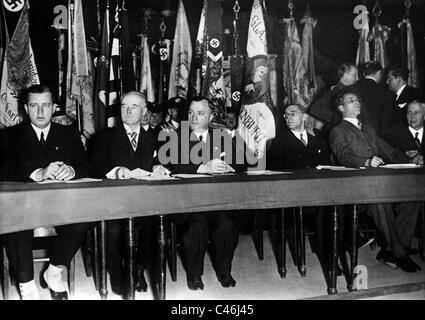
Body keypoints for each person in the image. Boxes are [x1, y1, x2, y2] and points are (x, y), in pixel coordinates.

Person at [1, 84, 90, 300]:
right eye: (34, 105)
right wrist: (37, 173)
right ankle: (27, 285)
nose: (40, 112)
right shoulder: (9, 136)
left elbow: (87, 166)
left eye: (46, 105)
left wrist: (72, 170)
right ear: (25, 108)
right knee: (14, 223)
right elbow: (3, 170)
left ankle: (54, 271)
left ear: (54, 107)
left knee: (84, 219)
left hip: (60, 205)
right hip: (23, 206)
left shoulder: (68, 133)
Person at [329, 90, 423, 272]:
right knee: (380, 200)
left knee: (413, 198)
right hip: (357, 188)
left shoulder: (369, 130)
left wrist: (411, 160)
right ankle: (400, 254)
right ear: (341, 108)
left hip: (380, 184)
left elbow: (391, 152)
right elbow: (344, 156)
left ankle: (390, 251)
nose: (357, 102)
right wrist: (365, 161)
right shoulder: (337, 131)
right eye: (351, 100)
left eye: (358, 99)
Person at [90, 91, 169, 296]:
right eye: (124, 105)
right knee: (114, 230)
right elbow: (93, 168)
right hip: (113, 203)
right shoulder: (104, 136)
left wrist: (160, 167)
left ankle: (137, 270)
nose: (128, 110)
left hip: (144, 202)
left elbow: (162, 162)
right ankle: (117, 276)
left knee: (153, 225)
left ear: (144, 111)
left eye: (134, 106)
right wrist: (116, 172)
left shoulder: (154, 138)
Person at [167, 97, 245, 290]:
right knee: (197, 225)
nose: (194, 117)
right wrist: (202, 167)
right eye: (191, 112)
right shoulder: (176, 136)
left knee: (227, 224)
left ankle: (224, 270)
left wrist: (229, 167)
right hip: (188, 203)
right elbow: (174, 166)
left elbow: (241, 163)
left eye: (200, 113)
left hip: (217, 201)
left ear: (211, 116)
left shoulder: (222, 136)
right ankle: (194, 275)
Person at [268, 104, 331, 169]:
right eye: (286, 115)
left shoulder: (319, 142)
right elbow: (276, 170)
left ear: (304, 117)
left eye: (292, 114)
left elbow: (327, 168)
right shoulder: (279, 142)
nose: (288, 118)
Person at [349, 61, 400, 138]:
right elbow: (387, 122)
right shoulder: (385, 93)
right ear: (379, 73)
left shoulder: (351, 89)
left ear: (364, 73)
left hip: (353, 136)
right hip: (376, 139)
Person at [308, 62, 359, 130]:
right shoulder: (335, 91)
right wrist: (336, 119)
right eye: (354, 75)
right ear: (345, 75)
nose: (357, 78)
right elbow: (315, 109)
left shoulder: (352, 90)